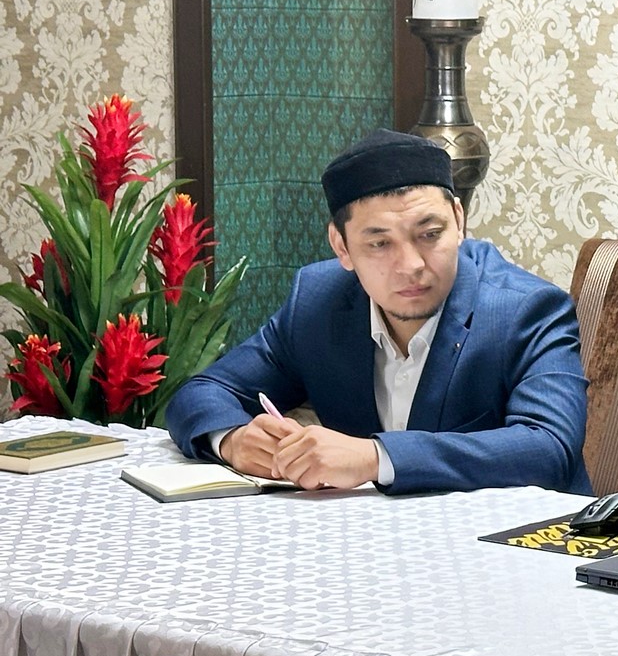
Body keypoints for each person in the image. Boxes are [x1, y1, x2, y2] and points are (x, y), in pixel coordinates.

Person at [166, 128, 591, 496]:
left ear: (459, 220)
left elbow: (549, 447)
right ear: (341, 247)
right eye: (380, 243)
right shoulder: (318, 301)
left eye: (430, 234)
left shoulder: (526, 309)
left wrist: (374, 457)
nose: (411, 265)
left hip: (519, 544)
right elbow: (203, 392)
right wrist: (233, 440)